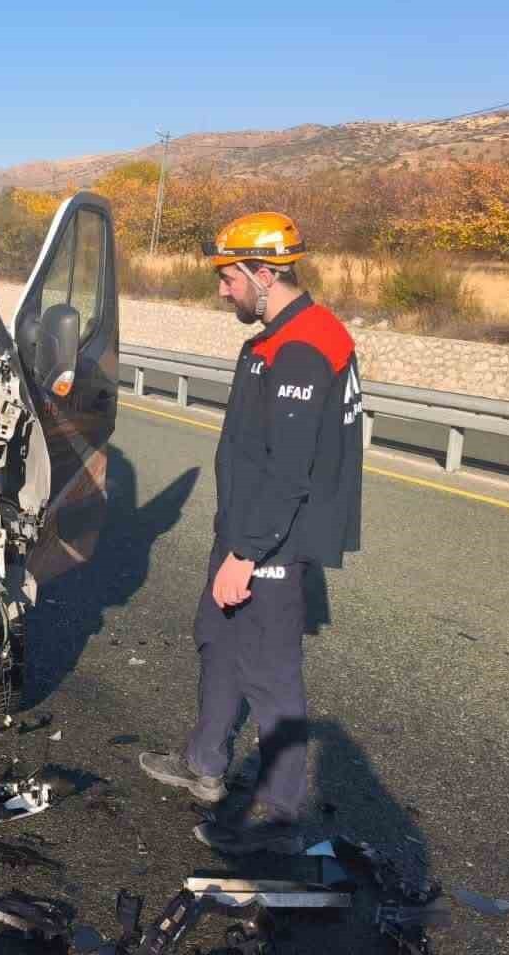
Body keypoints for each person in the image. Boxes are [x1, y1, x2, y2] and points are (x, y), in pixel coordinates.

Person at [139, 211, 363, 853]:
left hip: (271, 538)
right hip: (246, 529)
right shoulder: (277, 336)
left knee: (270, 673)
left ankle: (279, 819)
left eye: (229, 278)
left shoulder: (303, 347)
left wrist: (247, 552)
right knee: (217, 638)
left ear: (265, 274)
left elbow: (292, 472)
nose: (222, 290)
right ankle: (205, 764)